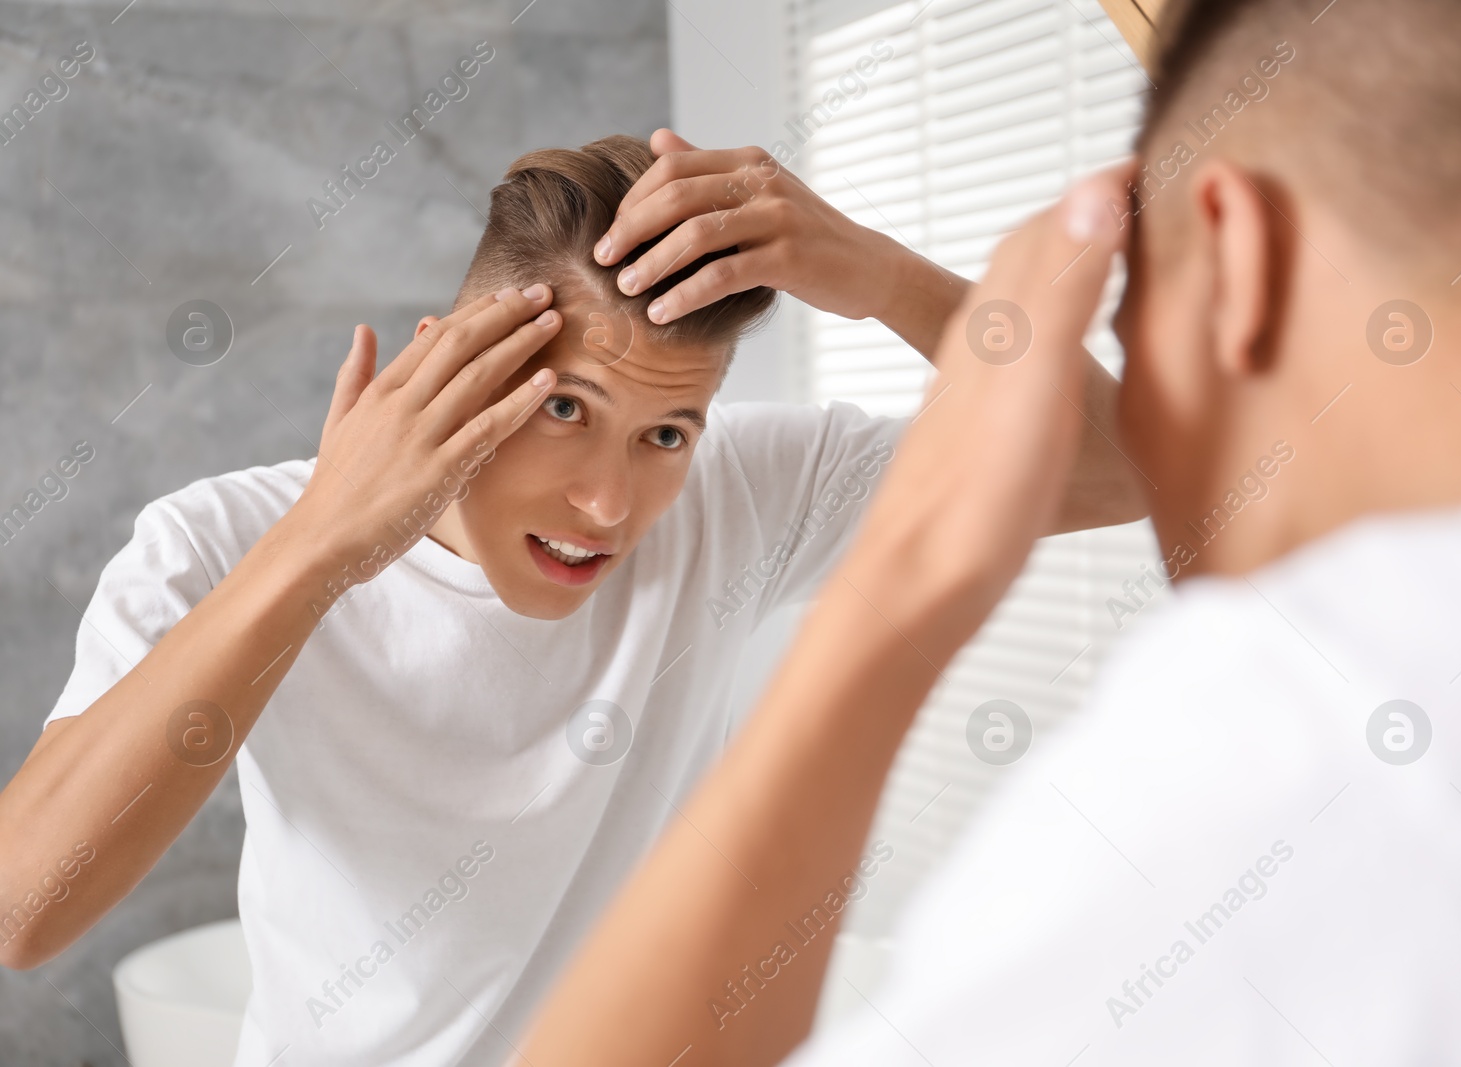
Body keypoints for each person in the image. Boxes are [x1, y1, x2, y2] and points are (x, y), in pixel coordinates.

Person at [508, 0, 1461, 1063]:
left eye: (1130, 328)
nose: (606, 499)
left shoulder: (1336, 708)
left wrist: (903, 579)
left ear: (1234, 259)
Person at [0, 134, 1142, 1065]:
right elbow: (24, 909)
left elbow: (1134, 463)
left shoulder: (742, 495)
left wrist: (886, 276)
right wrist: (321, 547)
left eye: (664, 433)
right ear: (441, 364)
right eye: (564, 410)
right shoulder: (223, 540)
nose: (608, 501)